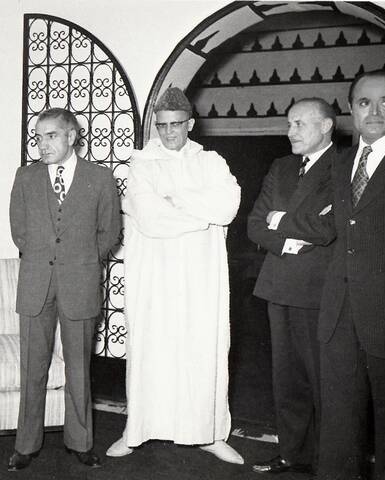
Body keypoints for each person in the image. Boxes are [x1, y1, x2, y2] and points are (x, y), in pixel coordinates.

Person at [277, 69, 385, 479]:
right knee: (338, 429)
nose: (375, 112)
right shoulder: (342, 161)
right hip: (339, 317)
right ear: (351, 108)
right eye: (365, 102)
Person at [106, 87, 243, 464]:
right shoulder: (142, 165)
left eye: (176, 125)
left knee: (202, 347)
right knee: (153, 349)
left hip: (201, 275)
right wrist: (200, 214)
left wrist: (176, 200)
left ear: (190, 124)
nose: (168, 133)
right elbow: (150, 219)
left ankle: (208, 433)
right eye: (162, 125)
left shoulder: (211, 162)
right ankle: (137, 431)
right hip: (155, 275)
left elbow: (227, 207)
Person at [8, 108, 121, 471]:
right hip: (35, 285)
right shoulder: (25, 176)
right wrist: (43, 258)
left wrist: (82, 261)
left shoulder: (99, 178)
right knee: (32, 368)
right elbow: (19, 231)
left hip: (80, 284)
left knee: (78, 369)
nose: (42, 144)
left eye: (51, 136)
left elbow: (110, 232)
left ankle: (80, 442)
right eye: (38, 137)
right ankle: (25, 445)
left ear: (72, 137)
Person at [247, 98, 336, 475]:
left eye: (300, 124)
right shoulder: (281, 166)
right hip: (279, 283)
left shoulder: (344, 165)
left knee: (324, 380)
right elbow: (255, 224)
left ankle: (330, 460)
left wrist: (280, 219)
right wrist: (288, 241)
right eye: (289, 124)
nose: (290, 132)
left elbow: (329, 227)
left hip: (320, 289)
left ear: (326, 126)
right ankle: (292, 453)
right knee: (286, 379)